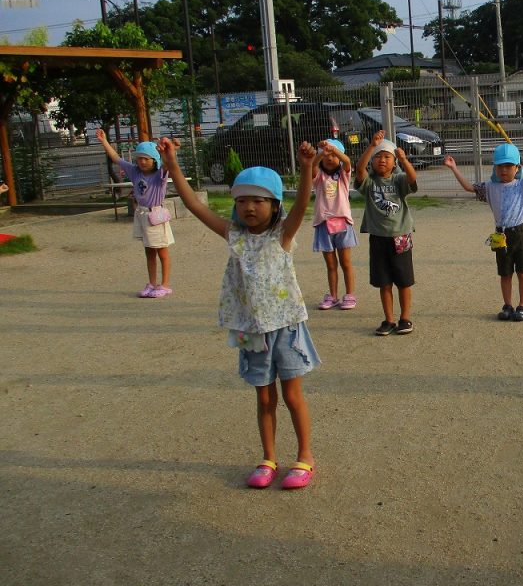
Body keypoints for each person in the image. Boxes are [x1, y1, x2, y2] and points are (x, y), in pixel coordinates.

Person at [158, 136, 320, 489]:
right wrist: (172, 166)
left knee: (292, 395)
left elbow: (302, 205)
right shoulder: (234, 234)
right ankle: (268, 458)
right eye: (242, 200)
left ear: (274, 205)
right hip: (251, 330)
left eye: (259, 201)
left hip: (286, 326)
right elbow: (194, 205)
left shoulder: (282, 234)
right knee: (264, 396)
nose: (249, 207)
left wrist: (307, 168)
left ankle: (305, 456)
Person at [443, 140, 523, 321]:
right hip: (501, 235)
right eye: (500, 166)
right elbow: (469, 187)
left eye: (508, 166)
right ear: (494, 168)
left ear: (517, 167)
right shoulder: (490, 187)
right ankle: (507, 305)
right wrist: (454, 168)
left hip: (521, 233)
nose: (503, 170)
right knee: (505, 273)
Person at [96, 129, 173, 298]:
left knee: (162, 251)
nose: (142, 162)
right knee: (149, 251)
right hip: (142, 214)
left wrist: (166, 153)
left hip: (156, 215)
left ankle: (165, 285)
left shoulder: (160, 174)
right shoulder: (134, 171)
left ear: (154, 160)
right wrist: (104, 141)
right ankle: (152, 283)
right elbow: (116, 158)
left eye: (146, 158)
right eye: (139, 158)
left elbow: (168, 165)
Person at [355, 130, 418, 336]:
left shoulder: (398, 180)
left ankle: (405, 318)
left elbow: (412, 179)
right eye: (378, 157)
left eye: (387, 157)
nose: (382, 160)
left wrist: (404, 160)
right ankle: (389, 320)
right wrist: (372, 146)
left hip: (401, 236)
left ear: (394, 162)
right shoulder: (370, 183)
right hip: (378, 238)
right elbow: (359, 169)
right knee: (384, 283)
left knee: (404, 281)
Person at [312, 139, 357, 311]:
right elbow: (312, 166)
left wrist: (333, 149)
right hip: (323, 224)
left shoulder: (343, 175)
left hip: (342, 223)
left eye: (333, 155)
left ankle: (350, 294)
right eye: (326, 156)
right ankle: (333, 296)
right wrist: (321, 153)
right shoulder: (319, 176)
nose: (329, 158)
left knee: (345, 262)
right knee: (331, 265)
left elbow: (347, 161)